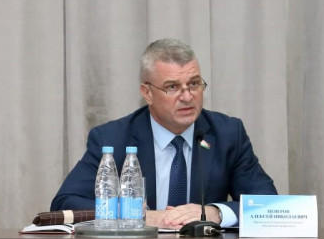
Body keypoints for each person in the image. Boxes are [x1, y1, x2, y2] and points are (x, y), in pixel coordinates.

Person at [52, 38, 277, 229]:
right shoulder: (113, 138)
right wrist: (140, 215)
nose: (187, 97)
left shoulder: (227, 134)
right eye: (172, 87)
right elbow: (66, 203)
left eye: (194, 84)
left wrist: (216, 213)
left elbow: (269, 205)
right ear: (147, 93)